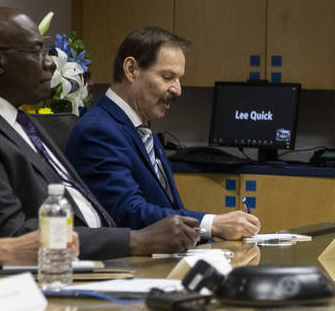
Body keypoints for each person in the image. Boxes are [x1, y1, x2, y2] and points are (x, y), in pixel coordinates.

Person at [0, 7, 199, 259]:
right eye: (37, 52)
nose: (50, 62)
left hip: (101, 258)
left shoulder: (25, 123)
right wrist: (133, 241)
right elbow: (12, 238)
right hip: (59, 272)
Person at [66, 27, 259, 239]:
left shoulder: (141, 129)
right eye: (168, 77)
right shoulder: (98, 130)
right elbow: (128, 214)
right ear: (131, 69)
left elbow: (168, 208)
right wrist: (212, 224)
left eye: (179, 79)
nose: (178, 89)